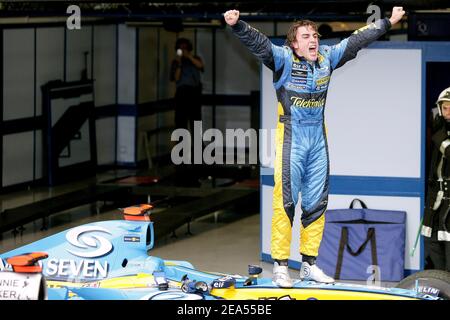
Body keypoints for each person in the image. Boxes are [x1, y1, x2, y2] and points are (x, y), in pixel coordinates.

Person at [224, 7, 405, 287]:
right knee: (285, 203)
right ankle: (281, 266)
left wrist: (387, 22)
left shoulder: (327, 59)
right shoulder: (283, 59)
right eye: (306, 36)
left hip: (318, 139)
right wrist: (238, 26)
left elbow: (357, 39)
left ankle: (309, 265)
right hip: (292, 139)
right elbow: (259, 44)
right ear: (294, 43)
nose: (313, 40)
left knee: (316, 205)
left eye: (315, 35)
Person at [422, 87, 450, 272]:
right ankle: (441, 284)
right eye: (445, 108)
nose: (448, 112)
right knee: (431, 243)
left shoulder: (439, 136)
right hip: (436, 202)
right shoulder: (439, 130)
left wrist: (441, 141)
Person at [170, 38, 204, 186]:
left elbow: (200, 66)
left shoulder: (194, 58)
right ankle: (181, 157)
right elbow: (176, 78)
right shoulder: (177, 62)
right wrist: (179, 62)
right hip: (182, 94)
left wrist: (189, 56)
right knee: (181, 126)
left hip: (194, 93)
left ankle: (198, 157)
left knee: (196, 124)